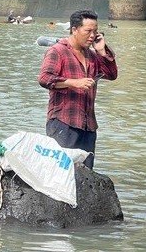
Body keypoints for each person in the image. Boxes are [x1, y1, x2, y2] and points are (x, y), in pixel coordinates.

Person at [38, 9, 117, 169]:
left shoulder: (93, 56)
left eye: (95, 31)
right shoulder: (58, 51)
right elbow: (45, 78)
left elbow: (111, 74)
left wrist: (101, 50)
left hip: (88, 126)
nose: (92, 36)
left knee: (86, 175)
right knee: (60, 172)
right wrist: (73, 82)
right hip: (63, 123)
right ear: (74, 29)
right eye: (88, 31)